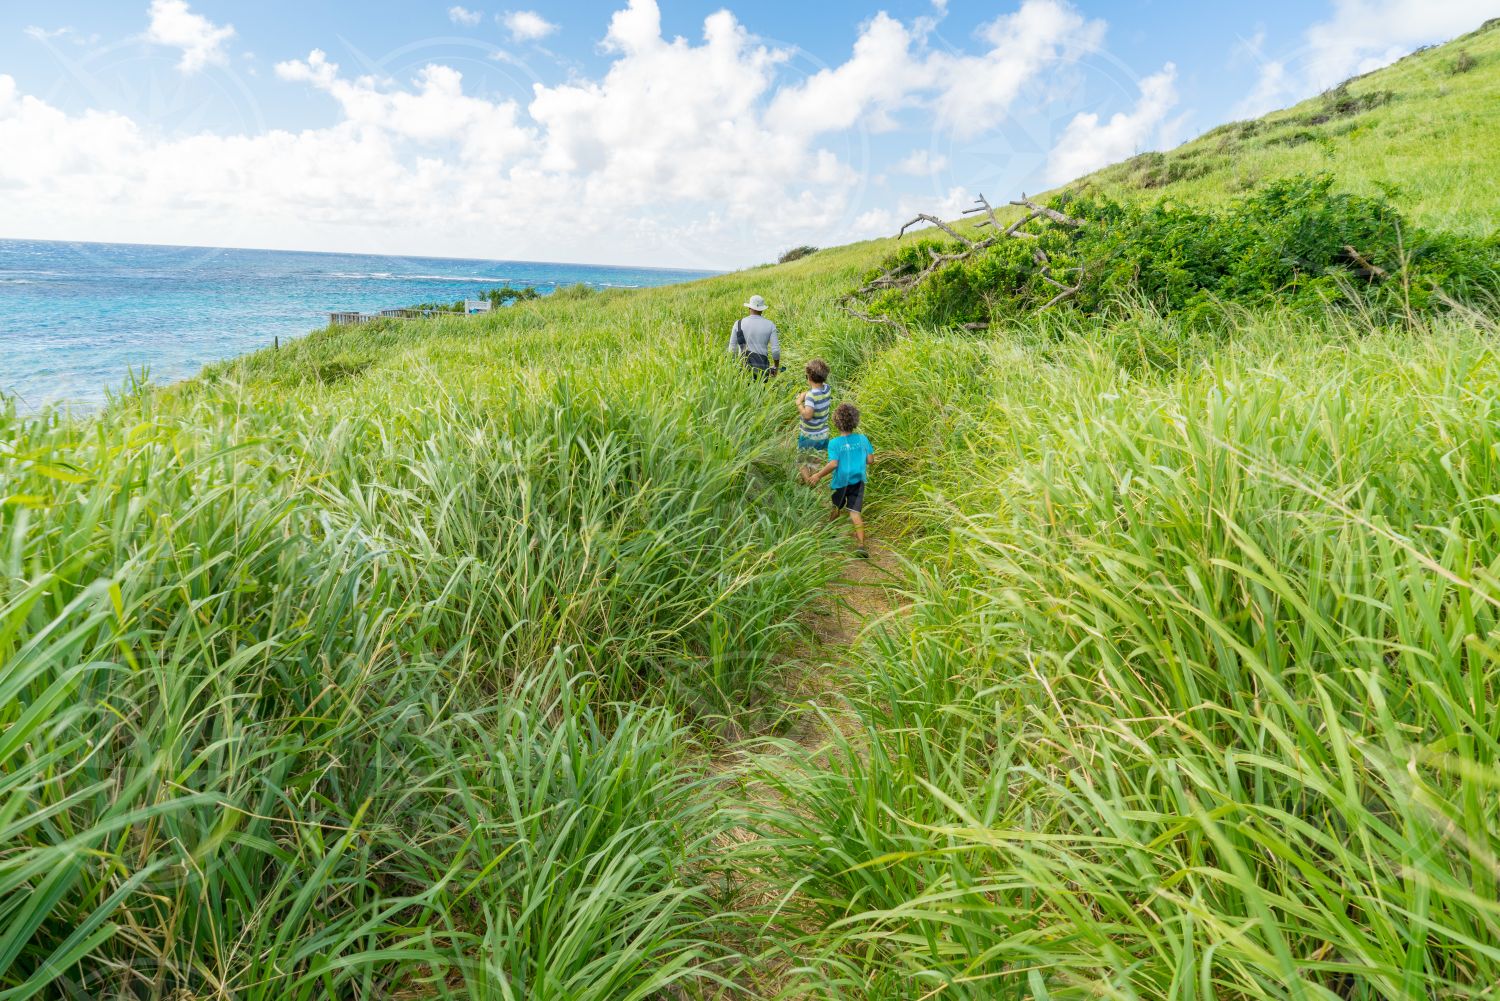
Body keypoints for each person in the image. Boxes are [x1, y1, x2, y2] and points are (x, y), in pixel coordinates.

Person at [802, 402, 874, 558]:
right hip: (858, 481)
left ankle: (829, 530)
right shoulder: (862, 439)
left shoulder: (834, 443)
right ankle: (861, 545)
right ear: (855, 420)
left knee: (836, 507)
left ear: (836, 422)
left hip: (841, 482)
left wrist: (817, 475)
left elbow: (834, 463)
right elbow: (870, 460)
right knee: (855, 513)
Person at [729, 294, 780, 378]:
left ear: (749, 308)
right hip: (762, 369)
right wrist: (776, 367)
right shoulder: (770, 325)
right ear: (762, 310)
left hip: (743, 369)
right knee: (761, 390)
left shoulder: (738, 324)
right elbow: (776, 351)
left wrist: (734, 368)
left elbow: (732, 349)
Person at [796, 358, 833, 468]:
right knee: (815, 459)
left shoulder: (811, 396)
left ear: (809, 377)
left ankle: (808, 481)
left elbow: (808, 415)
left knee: (802, 461)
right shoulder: (827, 388)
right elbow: (817, 392)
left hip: (810, 435)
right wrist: (807, 394)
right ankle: (813, 478)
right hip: (823, 433)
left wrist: (799, 403)